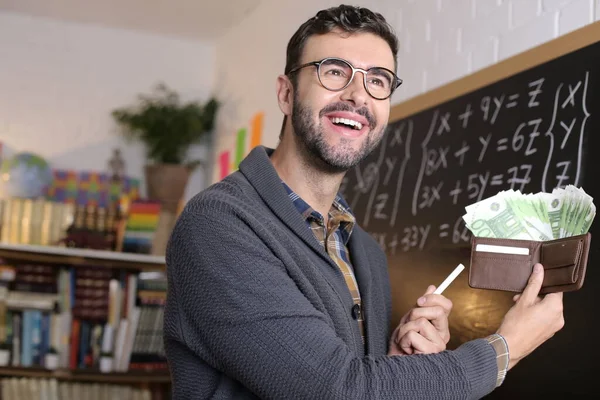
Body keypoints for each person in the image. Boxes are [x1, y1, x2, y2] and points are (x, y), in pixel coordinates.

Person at [163, 4, 564, 399]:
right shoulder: (217, 225)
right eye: (334, 71)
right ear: (286, 94)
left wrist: (395, 358)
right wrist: (504, 348)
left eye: (378, 80)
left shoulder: (365, 252)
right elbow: (336, 388)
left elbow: (356, 379)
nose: (358, 95)